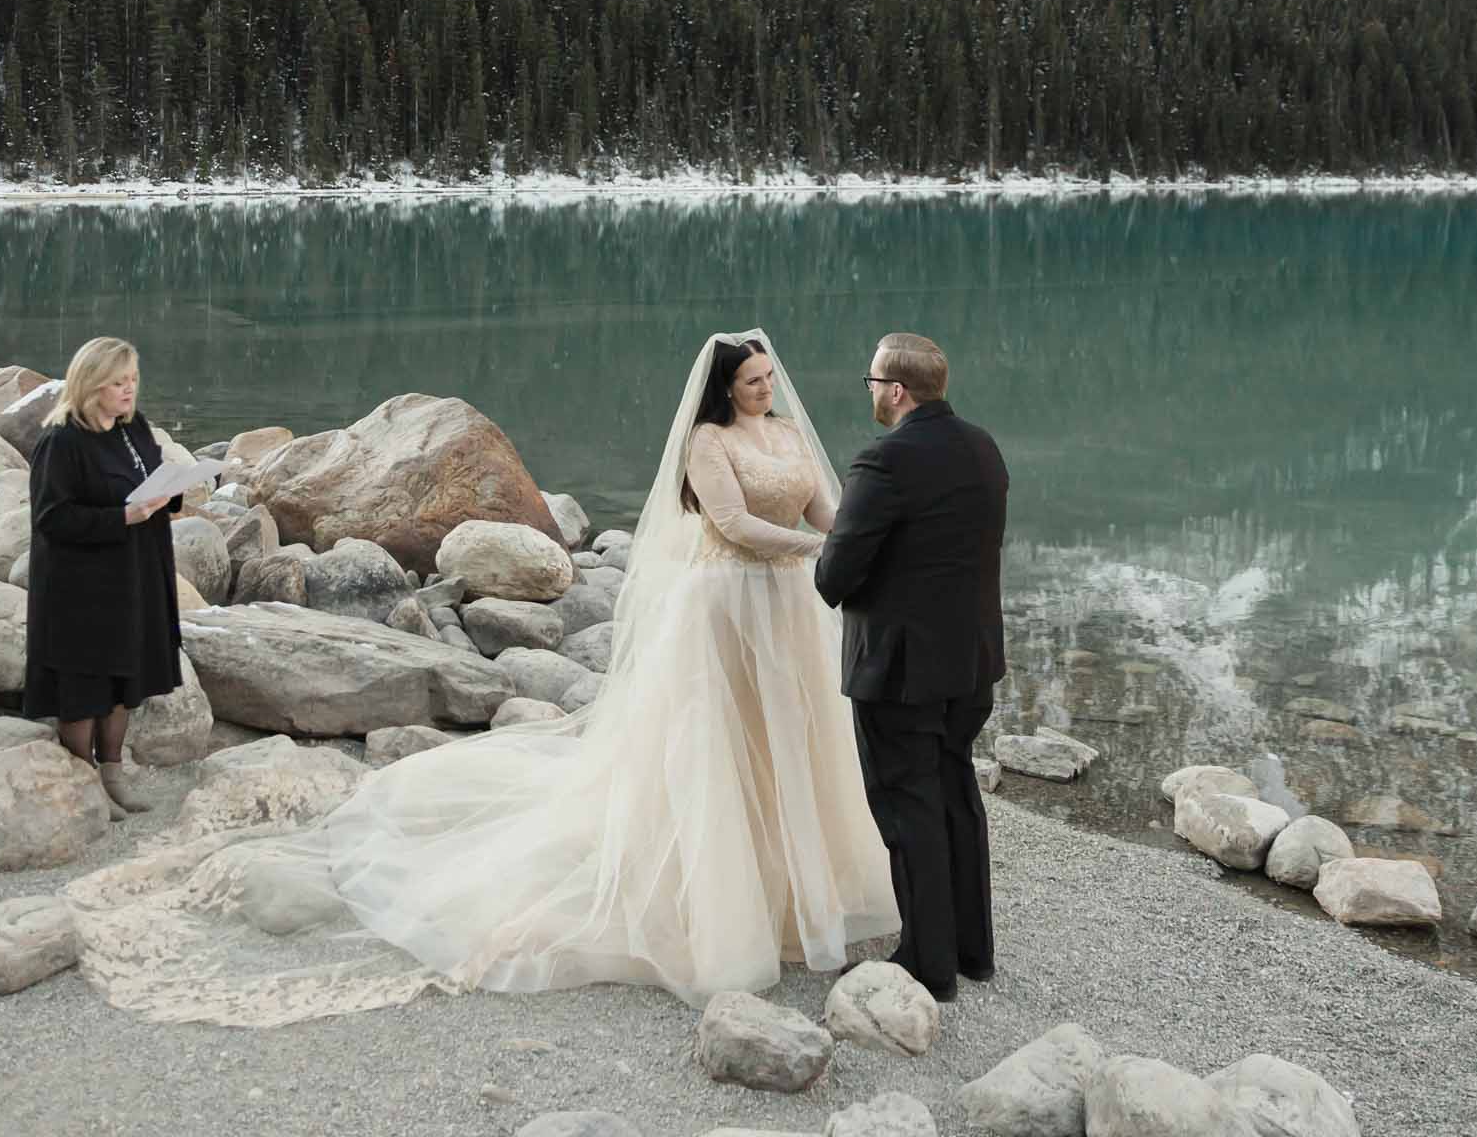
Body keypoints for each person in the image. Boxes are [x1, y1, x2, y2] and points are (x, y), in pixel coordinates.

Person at [75, 329, 897, 1025]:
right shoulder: (707, 444)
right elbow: (732, 523)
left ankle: (797, 877)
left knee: (794, 733)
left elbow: (819, 508)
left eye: (767, 382)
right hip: (726, 604)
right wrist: (816, 550)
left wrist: (847, 536)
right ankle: (722, 890)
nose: (764, 391)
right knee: (721, 739)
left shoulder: (785, 435)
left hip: (788, 608)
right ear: (724, 390)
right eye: (752, 384)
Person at [815, 331, 1009, 1002]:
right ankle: (971, 950)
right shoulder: (983, 446)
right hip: (973, 660)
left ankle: (926, 963)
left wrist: (829, 557)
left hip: (901, 671)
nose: (870, 393)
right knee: (955, 794)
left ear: (896, 390)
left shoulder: (885, 462)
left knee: (908, 810)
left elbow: (836, 574)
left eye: (872, 383)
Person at [25, 336, 182, 819]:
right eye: (118, 382)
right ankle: (85, 781)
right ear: (92, 385)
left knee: (126, 672)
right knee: (85, 681)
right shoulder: (62, 442)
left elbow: (153, 482)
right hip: (81, 586)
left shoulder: (134, 429)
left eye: (133, 379)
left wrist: (172, 494)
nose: (129, 390)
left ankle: (113, 772)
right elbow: (52, 518)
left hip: (134, 573)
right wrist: (124, 517)